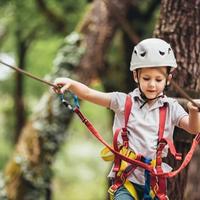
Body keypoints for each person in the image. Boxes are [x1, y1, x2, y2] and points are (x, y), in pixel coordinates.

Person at [53, 38, 200, 200]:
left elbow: (193, 128)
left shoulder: (171, 107)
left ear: (168, 79)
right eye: (146, 78)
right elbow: (89, 94)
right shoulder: (122, 102)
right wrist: (71, 83)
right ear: (136, 76)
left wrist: (194, 111)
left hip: (154, 182)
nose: (152, 85)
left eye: (158, 80)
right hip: (126, 180)